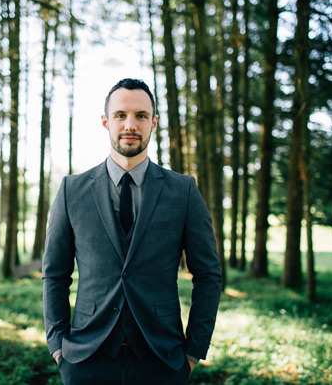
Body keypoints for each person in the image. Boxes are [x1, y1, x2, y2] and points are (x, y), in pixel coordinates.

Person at [42, 78, 222, 384]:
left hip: (162, 360)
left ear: (153, 123)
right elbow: (55, 273)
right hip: (86, 359)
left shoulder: (184, 191)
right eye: (120, 115)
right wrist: (58, 346)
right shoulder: (72, 190)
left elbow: (208, 275)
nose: (130, 124)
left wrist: (192, 352)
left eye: (140, 116)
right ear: (105, 122)